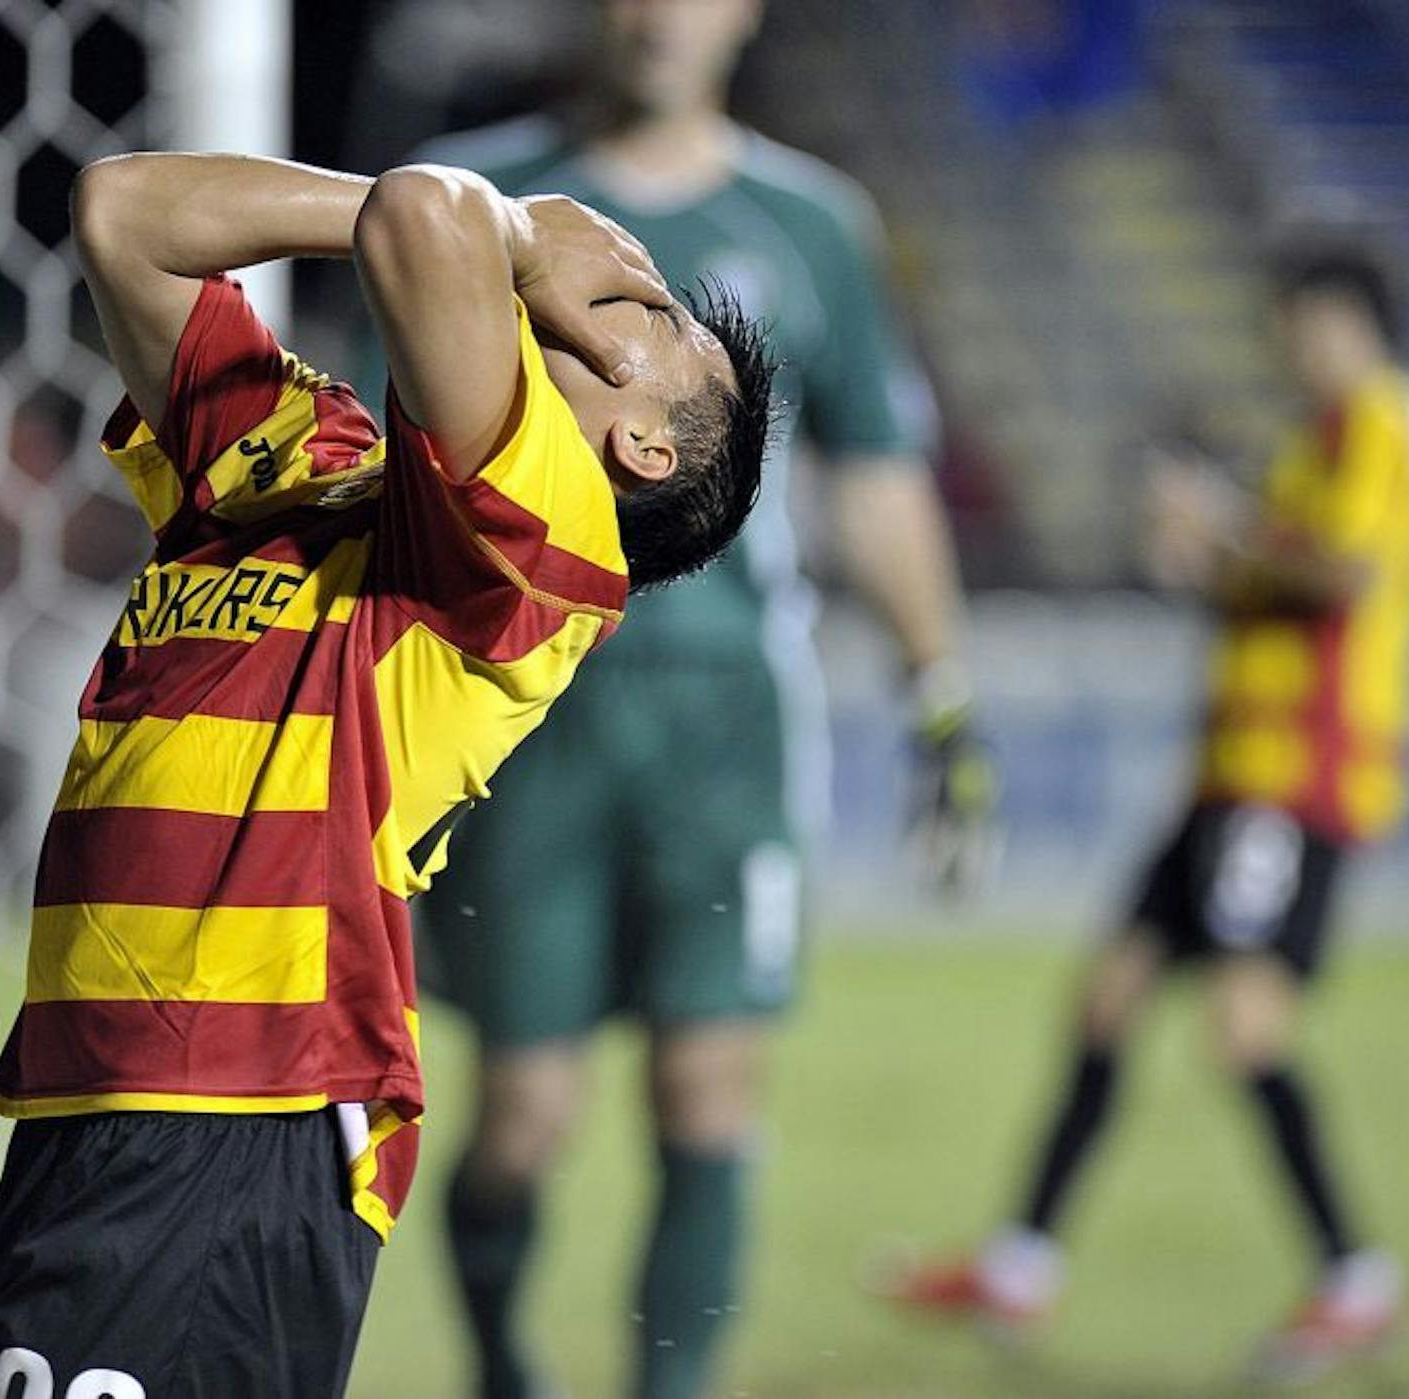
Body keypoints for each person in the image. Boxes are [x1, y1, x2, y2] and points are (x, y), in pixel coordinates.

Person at [0, 151, 775, 1399]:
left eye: (648, 314)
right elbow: (123, 212)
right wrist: (475, 234)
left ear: (639, 447)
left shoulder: (543, 550)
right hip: (114, 1082)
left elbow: (425, 217)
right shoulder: (314, 462)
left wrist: (514, 229)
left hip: (244, 1092)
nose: (608, 276)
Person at [351, 3, 990, 1396]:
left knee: (709, 1085)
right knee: (523, 1112)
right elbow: (365, 449)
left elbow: (876, 478)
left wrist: (940, 695)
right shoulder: (473, 194)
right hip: (524, 710)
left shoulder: (813, 221)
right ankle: (506, 1363)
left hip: (729, 724)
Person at [883, 231, 1409, 1385]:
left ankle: (1356, 1279)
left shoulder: (1379, 422)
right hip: (1231, 775)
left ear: (1346, 318)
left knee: (1244, 1025)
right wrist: (1216, 556)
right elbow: (1287, 573)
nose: (1287, 339)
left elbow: (1344, 574)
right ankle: (1021, 1263)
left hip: (1294, 780)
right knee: (1108, 997)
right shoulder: (1317, 441)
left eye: (1300, 316)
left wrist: (1221, 532)